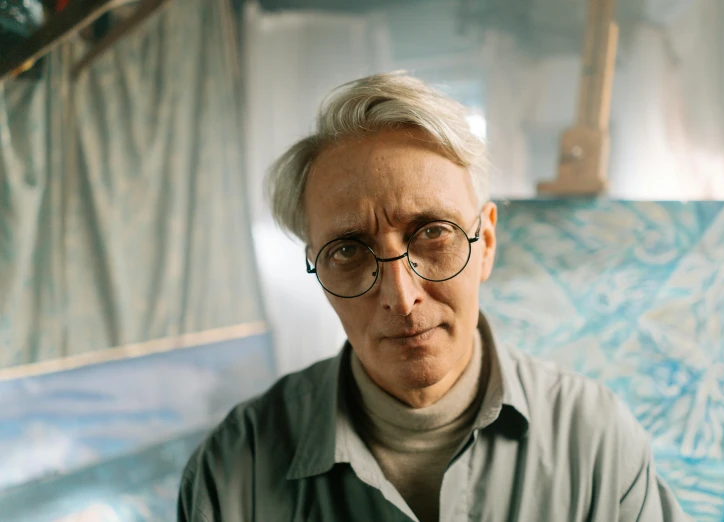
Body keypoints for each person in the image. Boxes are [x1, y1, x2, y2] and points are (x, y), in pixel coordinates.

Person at [178, 72, 689, 522]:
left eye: (432, 233)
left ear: (485, 243)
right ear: (316, 268)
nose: (401, 298)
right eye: (349, 249)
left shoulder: (594, 436)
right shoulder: (233, 469)